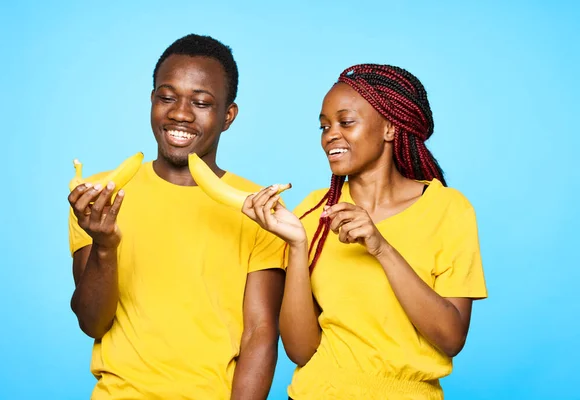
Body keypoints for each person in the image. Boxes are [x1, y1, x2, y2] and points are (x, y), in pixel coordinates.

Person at [243, 64, 488, 400]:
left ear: (390, 127)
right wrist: (298, 246)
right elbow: (301, 352)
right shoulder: (315, 211)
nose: (330, 134)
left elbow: (451, 337)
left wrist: (380, 247)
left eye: (346, 122)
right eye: (324, 126)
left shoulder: (448, 209)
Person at [67, 34, 286, 400]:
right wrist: (104, 245)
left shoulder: (260, 208)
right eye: (166, 97)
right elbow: (93, 323)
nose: (180, 113)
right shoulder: (98, 197)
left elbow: (260, 334)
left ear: (228, 116)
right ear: (152, 101)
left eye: (201, 102)